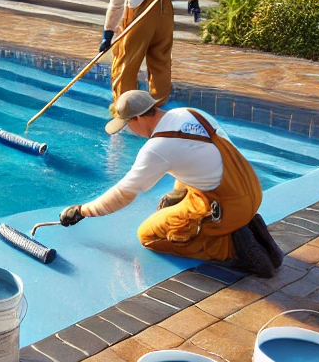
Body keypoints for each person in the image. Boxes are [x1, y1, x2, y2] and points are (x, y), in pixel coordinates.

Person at [59, 90, 282, 277]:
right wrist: (178, 193)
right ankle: (245, 224)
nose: (129, 131)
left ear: (138, 118)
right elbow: (198, 158)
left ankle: (232, 246)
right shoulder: (188, 113)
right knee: (170, 203)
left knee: (149, 235)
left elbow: (124, 193)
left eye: (127, 125)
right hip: (249, 188)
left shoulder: (157, 148)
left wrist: (83, 210)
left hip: (223, 206)